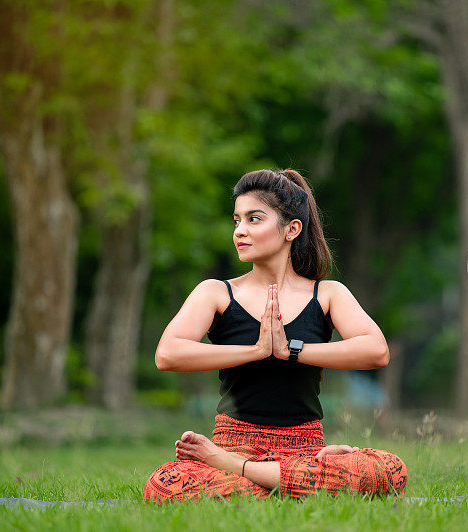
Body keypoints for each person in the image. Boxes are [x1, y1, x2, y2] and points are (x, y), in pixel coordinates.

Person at [143, 169, 408, 505]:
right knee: (165, 483)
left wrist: (291, 350)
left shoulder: (327, 294)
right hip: (232, 443)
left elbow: (376, 350)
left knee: (389, 470)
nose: (240, 231)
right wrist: (256, 350)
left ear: (291, 229)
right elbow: (167, 355)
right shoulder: (215, 293)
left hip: (305, 448)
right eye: (236, 220)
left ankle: (250, 474)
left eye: (254, 219)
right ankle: (296, 485)